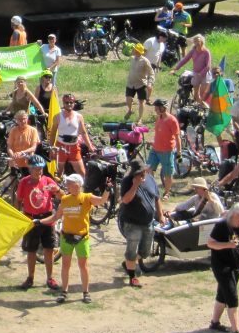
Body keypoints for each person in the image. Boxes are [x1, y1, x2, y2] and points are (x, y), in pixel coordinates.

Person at [44, 172, 110, 303]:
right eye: (67, 183)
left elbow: (102, 200)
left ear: (78, 185)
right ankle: (64, 292)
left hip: (82, 238)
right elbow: (56, 216)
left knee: (83, 266)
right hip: (66, 237)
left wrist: (107, 190)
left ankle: (86, 292)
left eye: (70, 183)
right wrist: (39, 221)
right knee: (65, 265)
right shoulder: (65, 199)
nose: (67, 185)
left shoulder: (87, 197)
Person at [15, 155, 62, 291]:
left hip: (47, 219)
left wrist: (57, 190)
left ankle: (50, 277)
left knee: (49, 249)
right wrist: (17, 215)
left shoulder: (48, 181)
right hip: (30, 219)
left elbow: (63, 196)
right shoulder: (24, 182)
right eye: (36, 169)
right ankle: (30, 277)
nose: (39, 171)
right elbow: (18, 200)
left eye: (41, 169)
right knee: (31, 250)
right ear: (30, 169)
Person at [207, 202, 239, 333]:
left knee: (223, 294)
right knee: (232, 296)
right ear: (233, 214)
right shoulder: (221, 226)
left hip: (235, 265)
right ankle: (236, 331)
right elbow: (210, 243)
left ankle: (215, 322)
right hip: (222, 266)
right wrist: (228, 245)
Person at [119, 157, 166, 288]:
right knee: (132, 249)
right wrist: (135, 185)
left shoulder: (150, 179)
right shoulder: (127, 182)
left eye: (143, 171)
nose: (142, 174)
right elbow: (126, 200)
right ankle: (132, 276)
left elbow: (156, 198)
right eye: (139, 173)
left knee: (145, 252)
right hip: (132, 222)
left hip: (148, 222)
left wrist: (161, 215)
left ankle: (129, 262)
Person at [49, 92, 94, 177]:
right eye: (67, 102)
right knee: (59, 173)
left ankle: (81, 189)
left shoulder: (79, 116)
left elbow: (83, 133)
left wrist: (90, 146)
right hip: (61, 146)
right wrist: (51, 148)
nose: (69, 104)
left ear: (74, 103)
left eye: (71, 102)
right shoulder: (57, 116)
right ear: (63, 103)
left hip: (74, 147)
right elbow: (53, 133)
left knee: (82, 173)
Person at [147, 99, 182, 196]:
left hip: (166, 151)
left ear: (163, 108)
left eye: (157, 107)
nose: (155, 109)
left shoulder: (172, 120)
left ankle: (167, 193)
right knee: (148, 169)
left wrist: (179, 152)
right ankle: (152, 190)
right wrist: (153, 142)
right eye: (155, 107)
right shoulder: (159, 118)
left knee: (167, 174)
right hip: (155, 149)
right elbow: (159, 133)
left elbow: (177, 137)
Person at [172, 34, 212, 104]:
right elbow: (184, 60)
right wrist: (176, 68)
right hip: (196, 74)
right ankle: (198, 107)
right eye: (195, 41)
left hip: (205, 75)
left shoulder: (206, 52)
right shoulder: (193, 51)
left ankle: (204, 108)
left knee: (203, 95)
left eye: (198, 41)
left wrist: (200, 74)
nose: (197, 43)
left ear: (202, 42)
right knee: (196, 96)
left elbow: (208, 66)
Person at [124, 43, 155, 122]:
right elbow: (125, 52)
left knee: (141, 101)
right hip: (130, 83)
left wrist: (150, 82)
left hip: (141, 84)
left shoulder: (145, 61)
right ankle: (130, 110)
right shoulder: (132, 58)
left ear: (139, 51)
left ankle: (140, 118)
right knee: (128, 99)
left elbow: (151, 72)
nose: (134, 51)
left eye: (135, 50)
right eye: (134, 49)